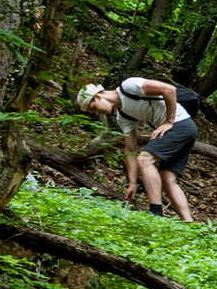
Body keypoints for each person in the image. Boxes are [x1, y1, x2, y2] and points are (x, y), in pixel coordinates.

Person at [75, 77, 199, 220]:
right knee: (167, 179)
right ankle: (190, 224)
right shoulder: (123, 116)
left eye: (94, 108)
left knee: (145, 159)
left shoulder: (129, 86)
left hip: (179, 125)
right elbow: (130, 149)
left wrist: (169, 122)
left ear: (97, 96)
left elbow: (169, 89)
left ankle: (156, 214)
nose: (97, 113)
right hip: (185, 130)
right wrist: (132, 183)